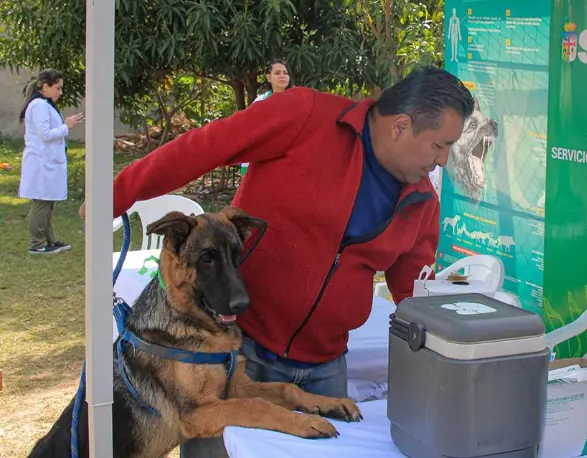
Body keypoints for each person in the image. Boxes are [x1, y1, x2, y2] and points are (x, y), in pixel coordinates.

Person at [97, 66, 473, 456]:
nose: (443, 160)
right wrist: (116, 195)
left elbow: (413, 296)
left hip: (327, 367)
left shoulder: (422, 201)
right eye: (439, 145)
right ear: (400, 126)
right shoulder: (305, 116)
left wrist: (460, 349)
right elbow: (203, 148)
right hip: (239, 351)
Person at [18, 69, 84, 255]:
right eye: (58, 88)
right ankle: (37, 244)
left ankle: (49, 240)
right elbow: (45, 134)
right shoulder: (38, 105)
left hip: (47, 162)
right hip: (41, 163)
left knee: (47, 204)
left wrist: (65, 124)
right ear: (45, 86)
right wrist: (66, 126)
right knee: (41, 204)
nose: (60, 92)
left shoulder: (44, 104)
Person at [240, 59, 296, 176]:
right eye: (277, 73)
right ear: (269, 77)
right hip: (266, 159)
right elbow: (250, 133)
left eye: (285, 73)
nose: (282, 76)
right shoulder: (261, 102)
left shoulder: (299, 100)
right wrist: (245, 166)